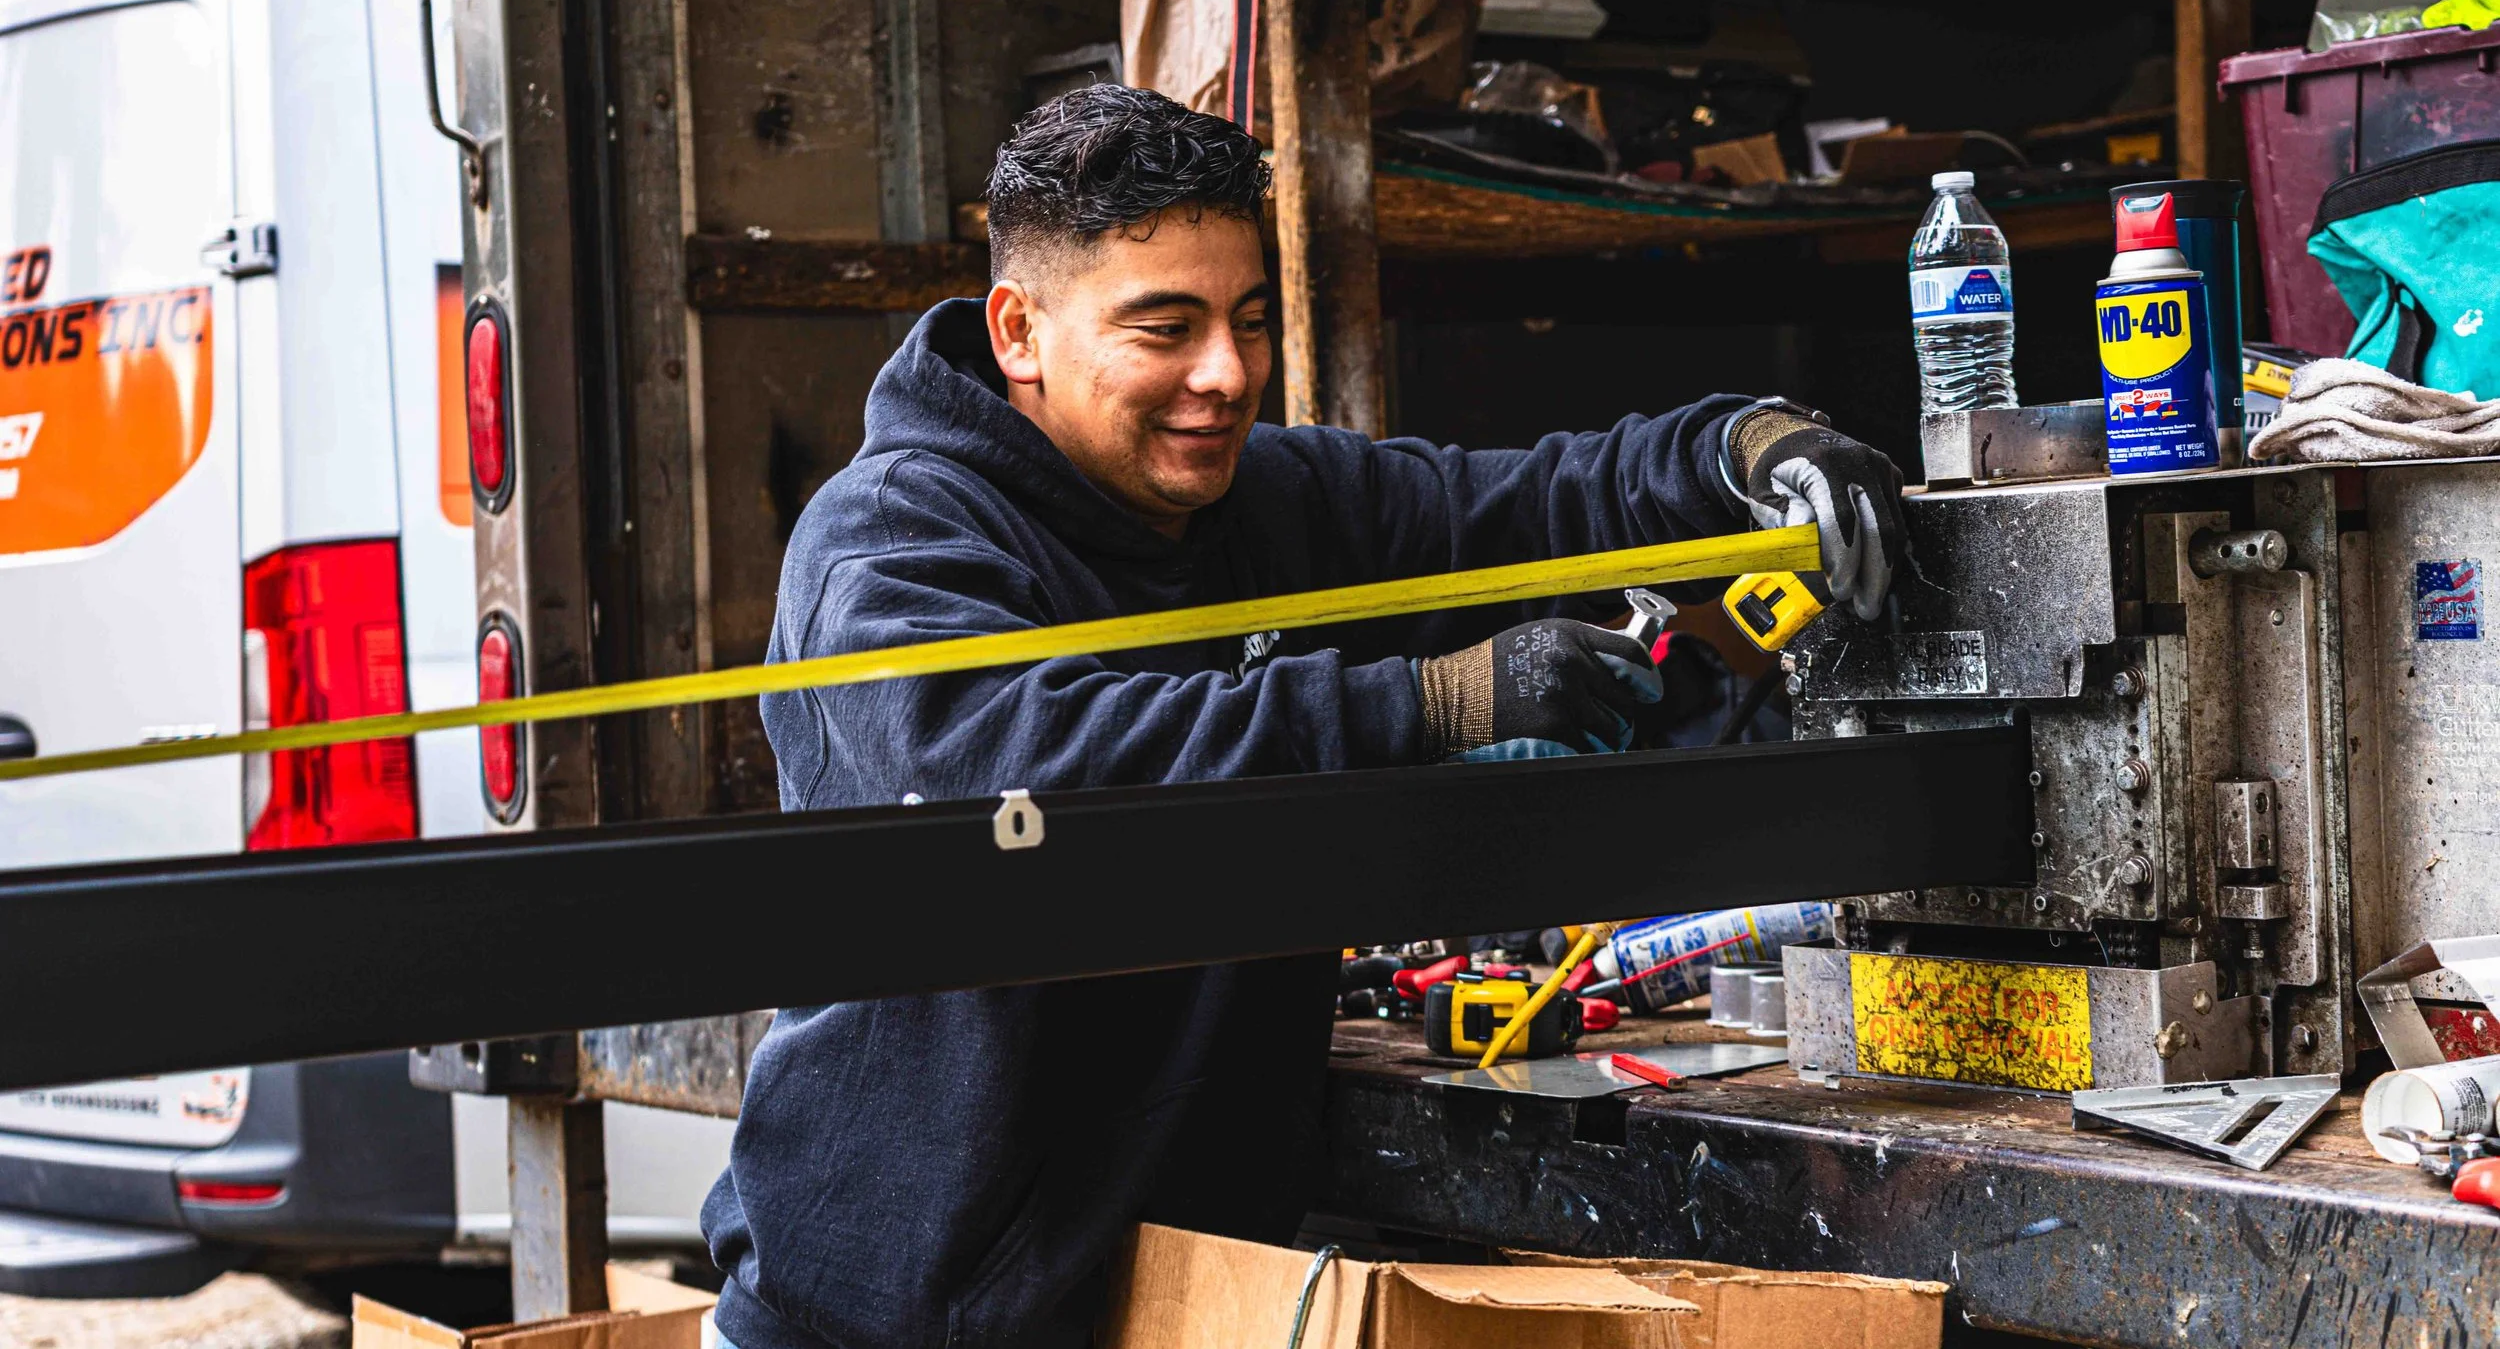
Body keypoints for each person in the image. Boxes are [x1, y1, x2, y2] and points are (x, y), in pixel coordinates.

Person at [701, 84, 1905, 1349]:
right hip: (882, 1321)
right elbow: (1017, 773)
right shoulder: (892, 540)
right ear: (1019, 330)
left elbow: (1534, 501)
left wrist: (1749, 450)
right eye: (1163, 328)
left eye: (1248, 321)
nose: (1224, 376)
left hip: (1167, 1299)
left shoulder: (1276, 505)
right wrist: (1432, 701)